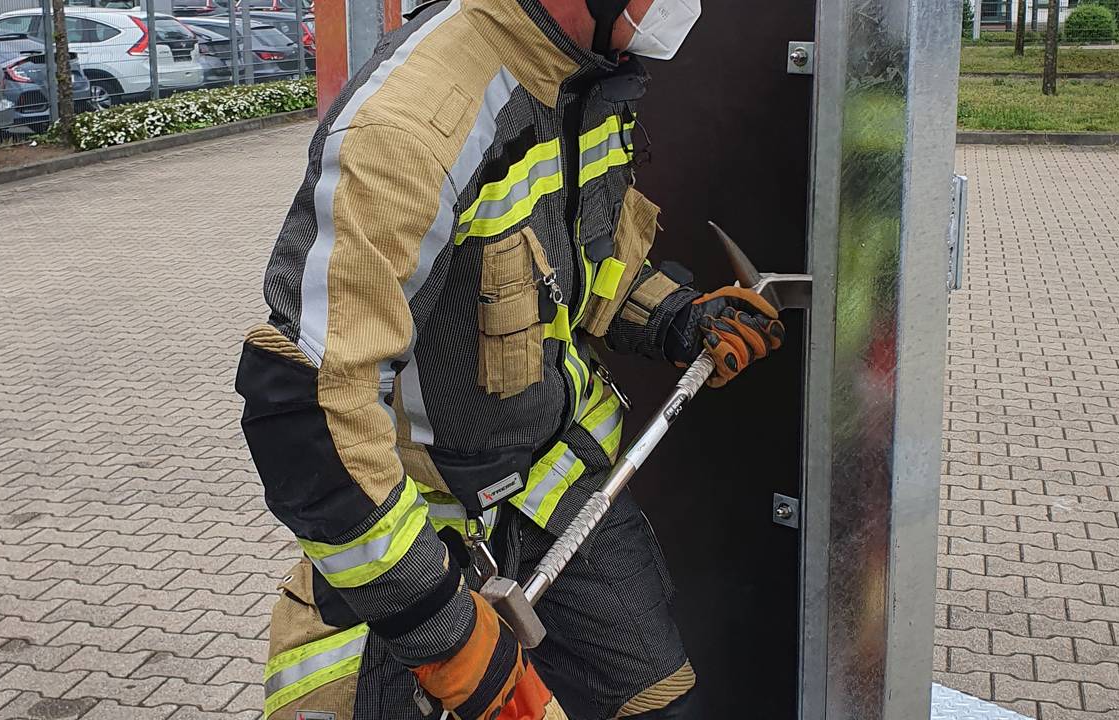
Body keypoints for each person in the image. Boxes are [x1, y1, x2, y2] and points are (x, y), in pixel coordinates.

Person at [235, 0, 784, 717]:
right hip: (423, 539)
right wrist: (438, 626)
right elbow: (309, 406)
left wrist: (679, 319)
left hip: (553, 496)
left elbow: (579, 268)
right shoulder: (413, 123)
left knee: (664, 706)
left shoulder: (580, 76)